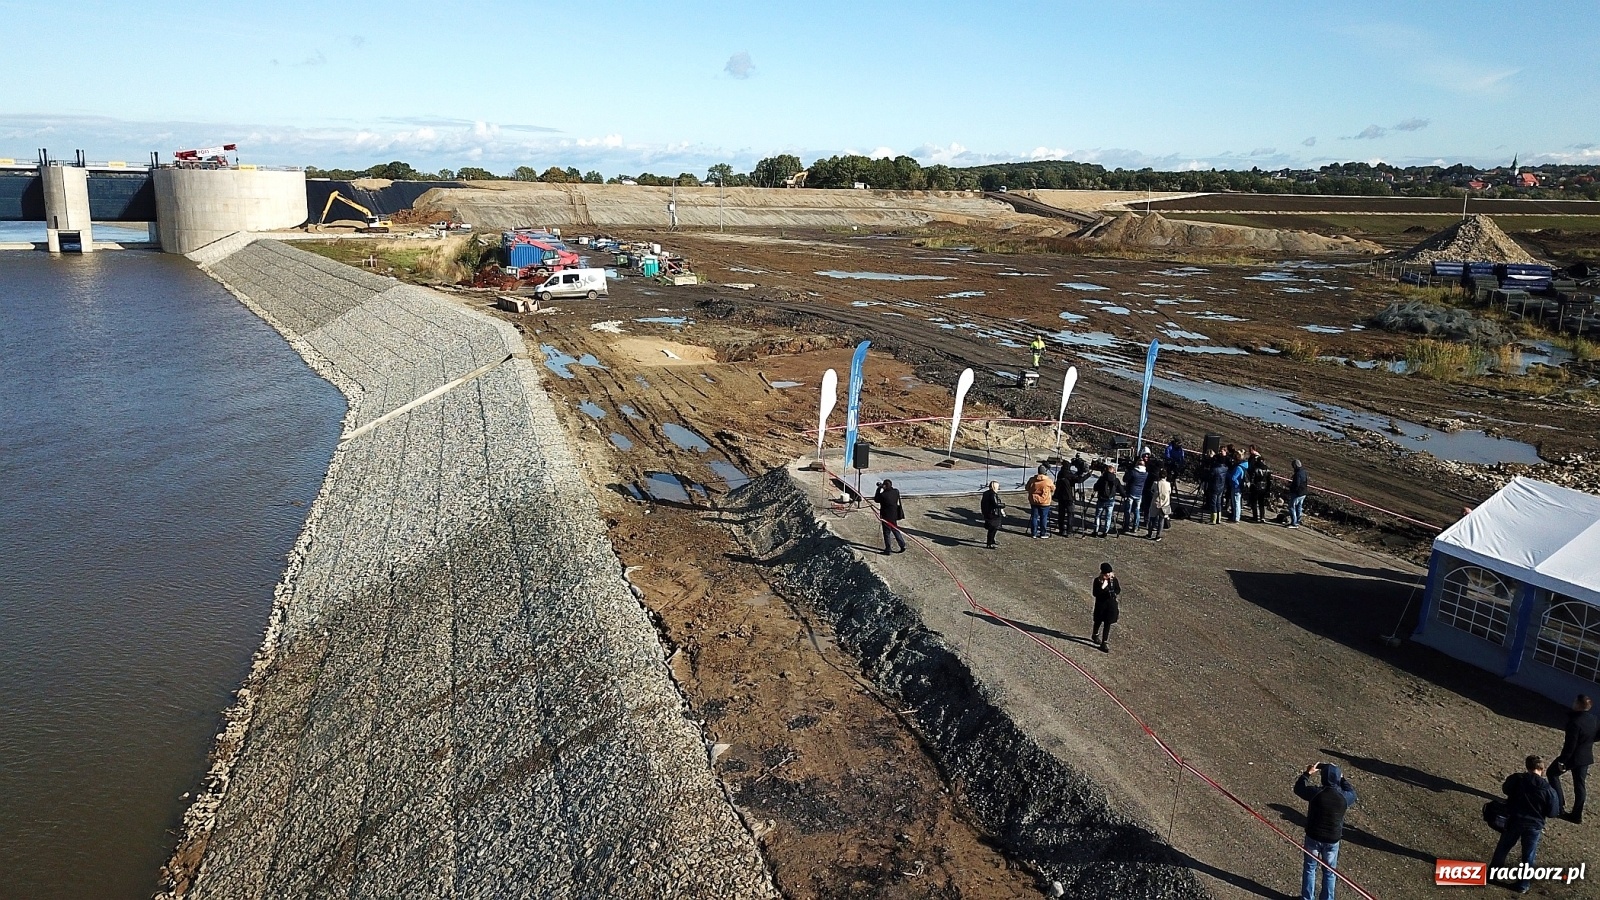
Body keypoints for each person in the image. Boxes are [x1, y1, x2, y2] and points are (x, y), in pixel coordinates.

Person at [1490, 755, 1561, 893]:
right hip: (1534, 826)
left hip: (1514, 820)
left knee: (1503, 847)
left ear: (1527, 766)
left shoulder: (1517, 779)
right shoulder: (1548, 789)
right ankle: (1523, 884)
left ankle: (1493, 874)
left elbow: (1505, 789)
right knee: (1528, 855)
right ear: (1542, 768)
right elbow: (1553, 812)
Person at [1294, 762, 1357, 900]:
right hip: (1332, 840)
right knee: (1329, 872)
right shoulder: (1345, 797)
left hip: (1313, 837)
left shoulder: (1316, 793)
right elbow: (1353, 793)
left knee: (1310, 869)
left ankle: (1307, 898)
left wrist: (1307, 773)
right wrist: (1342, 779)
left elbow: (1298, 789)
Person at [1551, 694, 1598, 824]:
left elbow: (1570, 746)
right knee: (1580, 785)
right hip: (1585, 756)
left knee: (1552, 774)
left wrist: (1562, 761)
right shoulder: (1593, 719)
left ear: (1578, 705)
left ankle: (1559, 805)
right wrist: (1587, 742)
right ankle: (1577, 815)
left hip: (1572, 757)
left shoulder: (1574, 722)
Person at [872, 479, 907, 554]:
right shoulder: (896, 492)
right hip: (894, 515)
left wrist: (879, 489)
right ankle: (902, 545)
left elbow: (876, 499)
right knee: (895, 530)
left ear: (885, 486)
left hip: (886, 516)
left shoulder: (883, 495)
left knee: (886, 533)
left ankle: (888, 549)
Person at [1090, 562, 1120, 652]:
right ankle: (1095, 634)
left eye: (1109, 573)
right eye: (1106, 573)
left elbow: (1118, 589)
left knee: (1108, 623)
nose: (1108, 575)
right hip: (1101, 605)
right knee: (1098, 621)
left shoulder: (1114, 580)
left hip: (1111, 605)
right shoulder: (1097, 581)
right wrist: (1103, 587)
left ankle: (1104, 642)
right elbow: (1095, 593)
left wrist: (1114, 593)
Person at [1057, 454, 1089, 535]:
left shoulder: (1060, 473)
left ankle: (1061, 530)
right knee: (1070, 514)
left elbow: (1074, 478)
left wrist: (1078, 473)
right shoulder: (1068, 474)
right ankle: (1069, 531)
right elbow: (1079, 480)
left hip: (1060, 497)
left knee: (1061, 514)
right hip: (1069, 498)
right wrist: (1088, 475)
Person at [1025, 464, 1055, 539]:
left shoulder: (1032, 479)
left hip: (1034, 501)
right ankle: (1043, 533)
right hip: (1045, 502)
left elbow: (1027, 488)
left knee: (1034, 517)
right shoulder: (1048, 481)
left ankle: (1033, 533)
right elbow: (1053, 488)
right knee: (1043, 517)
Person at [1122, 458, 1148, 534]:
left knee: (1128, 510)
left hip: (1131, 492)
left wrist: (1128, 471)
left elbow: (1125, 479)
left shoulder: (1133, 472)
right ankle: (1135, 526)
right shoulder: (1146, 474)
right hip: (1139, 493)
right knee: (1137, 511)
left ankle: (1126, 526)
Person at [1092, 463, 1119, 536]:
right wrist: (1124, 495)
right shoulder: (1115, 479)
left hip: (1101, 499)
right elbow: (1120, 489)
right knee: (1108, 517)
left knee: (1098, 516)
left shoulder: (1102, 479)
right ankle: (1105, 532)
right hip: (1110, 500)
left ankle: (1096, 531)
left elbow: (1096, 487)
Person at [1248, 453, 1274, 523]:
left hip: (1256, 487)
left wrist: (1251, 486)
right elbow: (1270, 480)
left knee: (1254, 502)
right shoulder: (1267, 469)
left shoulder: (1255, 468)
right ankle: (1262, 517)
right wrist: (1268, 489)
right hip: (1264, 487)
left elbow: (1252, 479)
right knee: (1261, 503)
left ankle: (1255, 517)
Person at [1147, 469, 1173, 541]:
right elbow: (1169, 492)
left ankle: (1149, 533)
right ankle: (1158, 535)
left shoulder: (1155, 483)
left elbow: (1152, 490)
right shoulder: (1168, 484)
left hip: (1156, 503)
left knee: (1152, 519)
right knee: (1161, 520)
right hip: (1164, 504)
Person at [980, 480, 1005, 549]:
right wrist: (1003, 505)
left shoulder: (986, 493)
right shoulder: (993, 494)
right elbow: (996, 504)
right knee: (993, 529)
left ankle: (992, 540)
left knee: (993, 528)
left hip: (988, 513)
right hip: (993, 514)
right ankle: (989, 543)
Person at [1207, 456, 1230, 525]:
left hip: (1214, 487)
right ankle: (1219, 518)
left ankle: (1213, 519)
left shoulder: (1215, 469)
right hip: (1221, 487)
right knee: (1219, 503)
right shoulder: (1225, 468)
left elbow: (1209, 476)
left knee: (1213, 503)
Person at [1228, 451, 1249, 524]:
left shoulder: (1238, 468)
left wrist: (1228, 475)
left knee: (1236, 502)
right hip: (1240, 486)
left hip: (1236, 486)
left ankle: (1236, 518)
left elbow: (1233, 478)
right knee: (1237, 502)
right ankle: (1236, 517)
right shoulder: (1245, 466)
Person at [1288, 459, 1310, 529]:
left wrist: (1291, 488)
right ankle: (1297, 521)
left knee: (1291, 507)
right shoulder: (1304, 472)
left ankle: (1294, 523)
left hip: (1297, 493)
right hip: (1303, 493)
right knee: (1299, 507)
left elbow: (1296, 484)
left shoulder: (1297, 474)